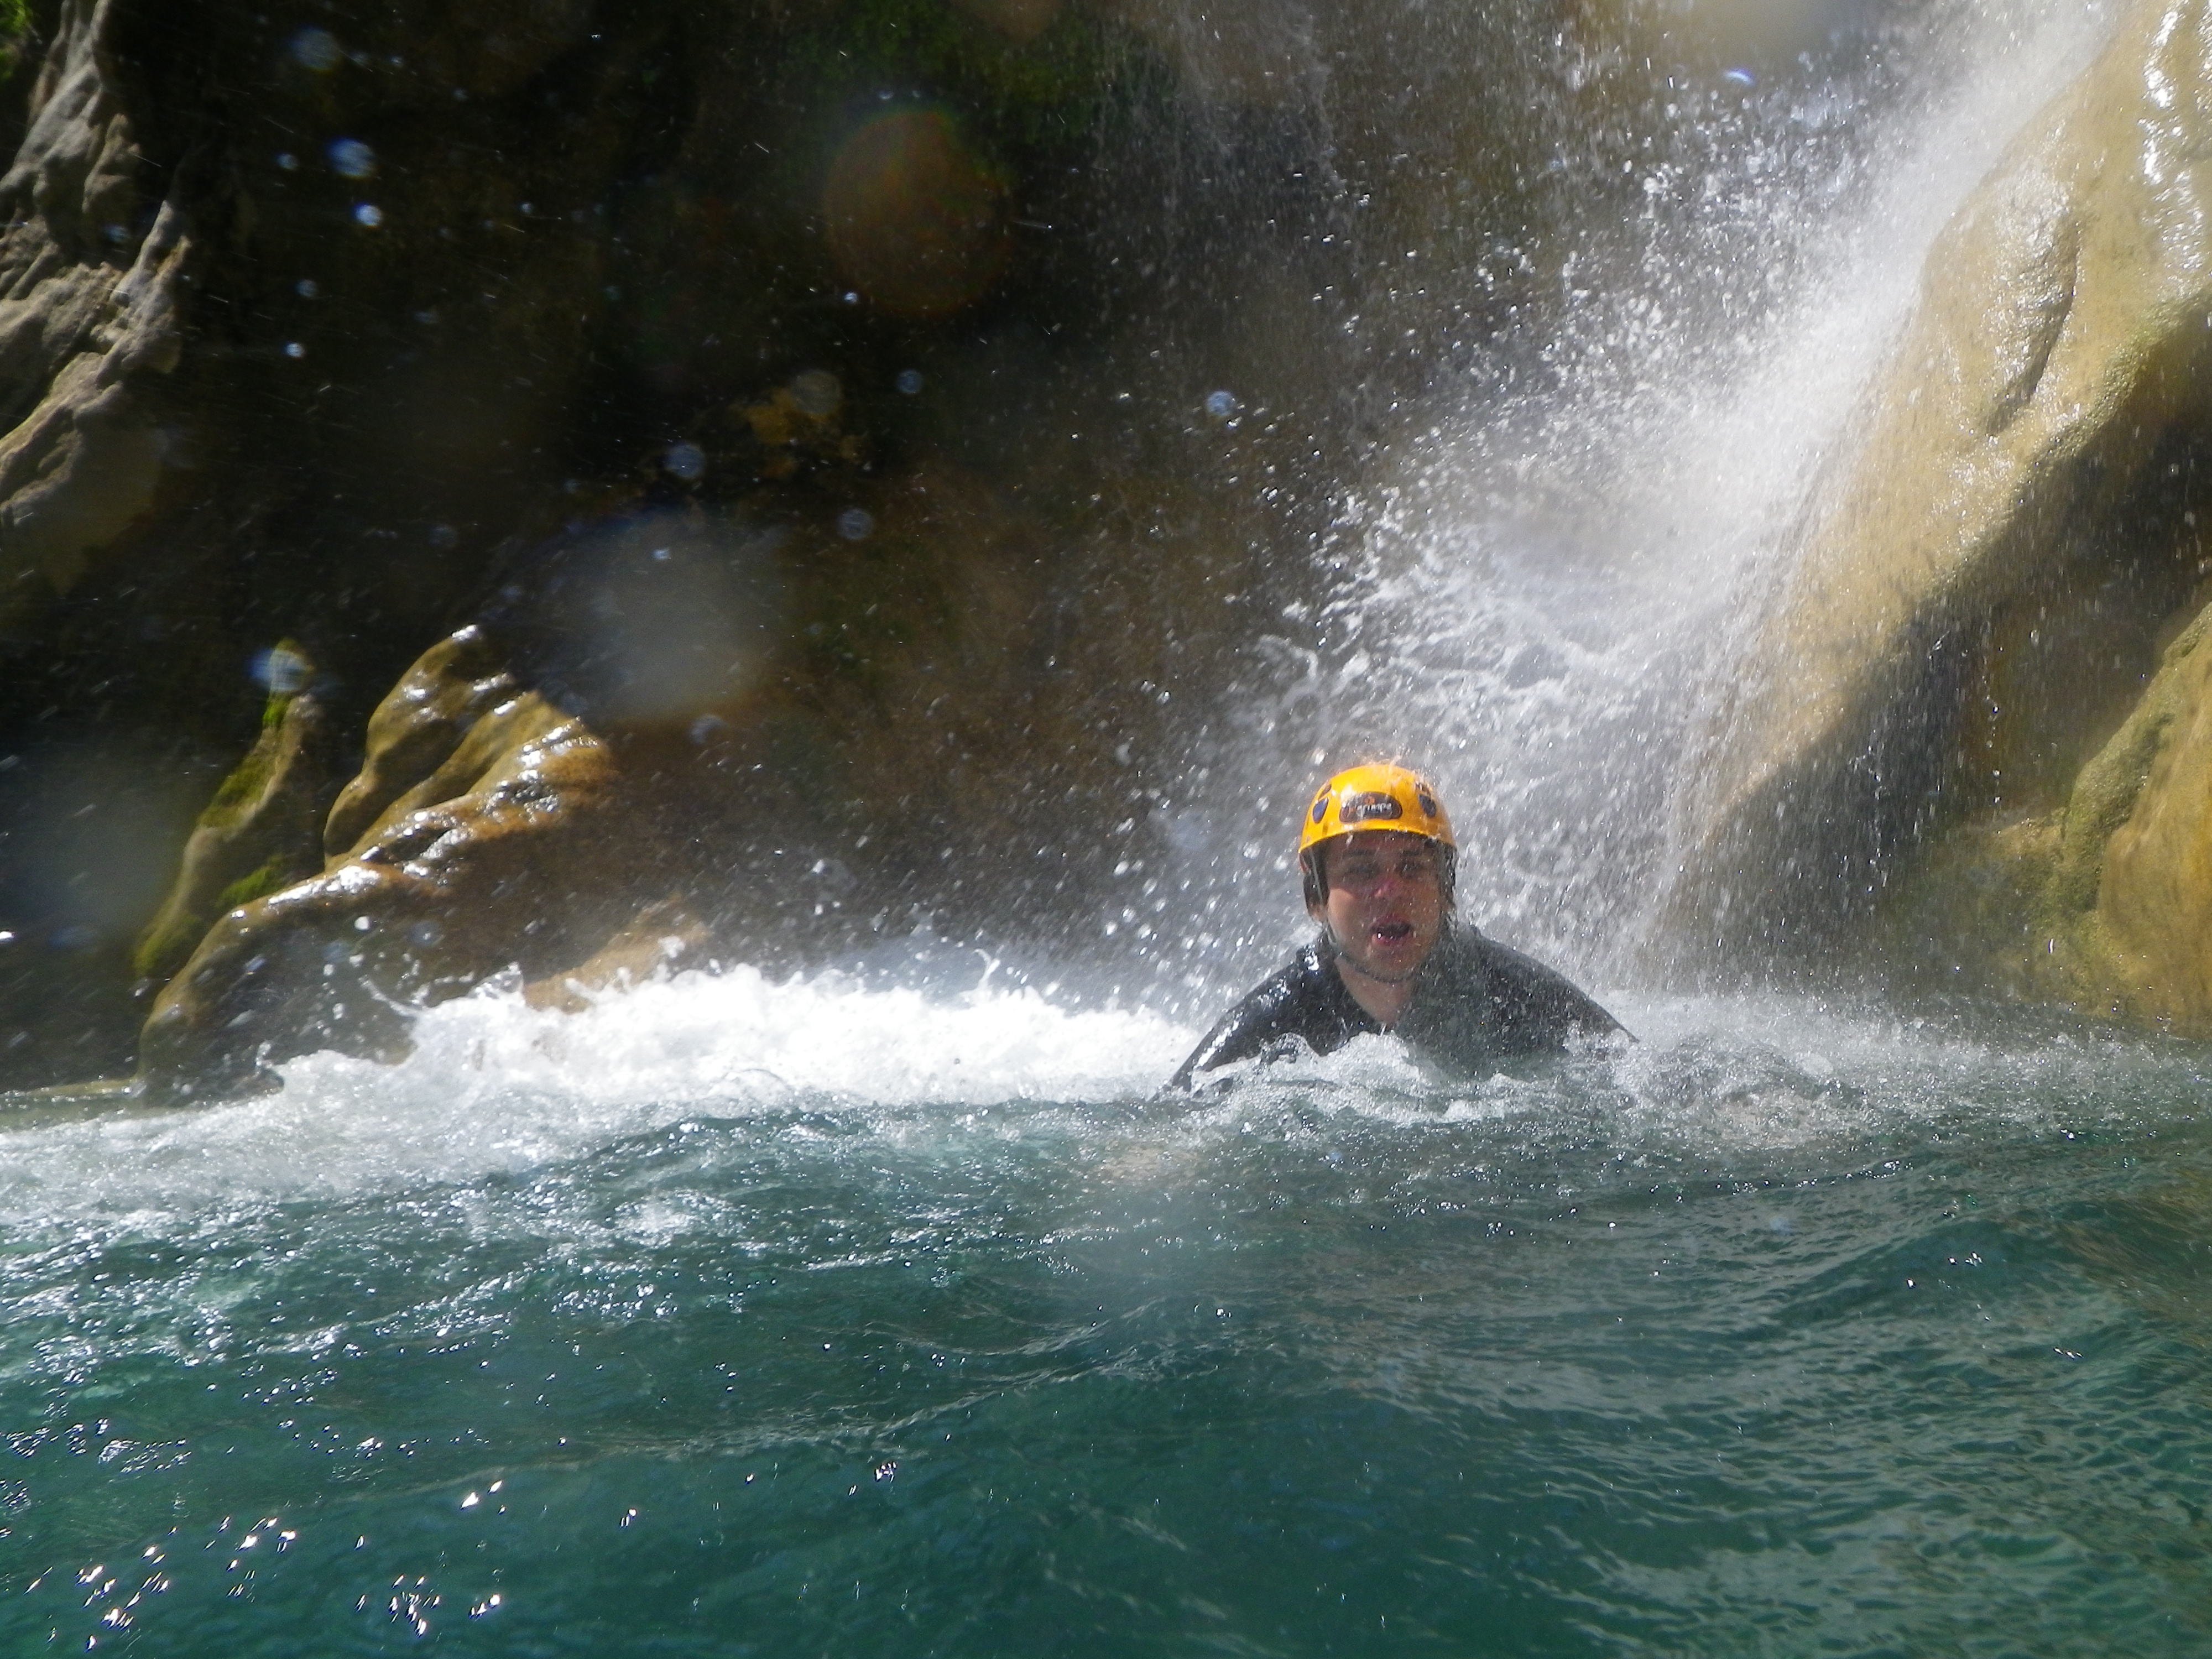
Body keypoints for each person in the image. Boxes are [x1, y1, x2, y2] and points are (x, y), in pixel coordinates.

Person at [1168, 763, 1622, 1089]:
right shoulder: (1282, 1015)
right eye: (1362, 872)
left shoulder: (1510, 990)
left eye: (1412, 868)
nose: (1390, 891)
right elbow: (1167, 1126)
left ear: (1446, 889)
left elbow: (1637, 1071)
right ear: (1316, 899)